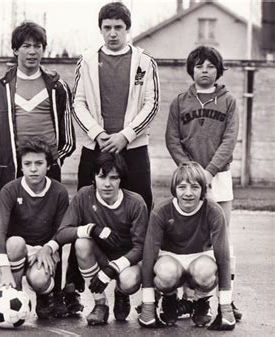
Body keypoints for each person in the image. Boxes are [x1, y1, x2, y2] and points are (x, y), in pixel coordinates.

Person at [66, 1, 160, 313]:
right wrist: (97, 133)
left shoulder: (145, 62)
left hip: (132, 149)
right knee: (83, 213)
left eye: (118, 27)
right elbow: (77, 102)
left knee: (140, 210)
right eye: (107, 27)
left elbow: (152, 102)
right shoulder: (87, 60)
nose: (113, 33)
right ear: (101, 29)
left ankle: (135, 289)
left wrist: (126, 134)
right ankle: (74, 288)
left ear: (127, 29)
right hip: (97, 148)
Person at [165, 46, 241, 321]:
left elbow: (229, 139)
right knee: (188, 238)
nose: (204, 71)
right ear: (192, 70)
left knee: (221, 240)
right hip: (188, 178)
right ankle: (189, 299)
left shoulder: (228, 100)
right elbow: (172, 139)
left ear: (218, 70)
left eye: (210, 66)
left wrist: (207, 173)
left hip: (218, 177)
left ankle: (226, 299)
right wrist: (190, 171)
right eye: (199, 66)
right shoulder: (180, 101)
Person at [138, 162, 236, 331]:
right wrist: (147, 303)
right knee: (166, 273)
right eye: (182, 187)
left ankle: (200, 300)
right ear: (174, 189)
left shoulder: (214, 210)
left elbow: (223, 257)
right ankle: (169, 299)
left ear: (203, 190)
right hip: (170, 257)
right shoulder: (162, 210)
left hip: (200, 257)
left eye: (195, 187)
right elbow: (149, 254)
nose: (188, 193)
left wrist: (225, 305)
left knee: (205, 272)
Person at [56, 152, 148, 325]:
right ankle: (100, 304)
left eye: (114, 178)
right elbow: (62, 233)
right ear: (93, 178)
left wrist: (113, 268)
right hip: (101, 257)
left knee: (128, 282)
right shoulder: (84, 196)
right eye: (102, 176)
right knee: (82, 243)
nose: (107, 184)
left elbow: (141, 247)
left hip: (126, 262)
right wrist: (92, 229)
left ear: (121, 179)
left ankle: (121, 293)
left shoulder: (135, 203)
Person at [0, 21, 75, 192]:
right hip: (13, 170)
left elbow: (68, 137)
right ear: (15, 50)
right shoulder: (0, 89)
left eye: (37, 46)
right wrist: (7, 161)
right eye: (26, 46)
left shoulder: (57, 86)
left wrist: (53, 161)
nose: (32, 51)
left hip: (48, 169)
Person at [0, 139, 70, 319]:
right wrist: (4, 271)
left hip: (44, 248)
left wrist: (47, 248)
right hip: (17, 250)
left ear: (48, 166)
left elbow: (62, 231)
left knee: (39, 279)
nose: (33, 169)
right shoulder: (10, 190)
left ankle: (44, 296)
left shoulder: (59, 192)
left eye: (39, 163)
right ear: (22, 166)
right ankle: (15, 293)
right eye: (28, 164)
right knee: (14, 242)